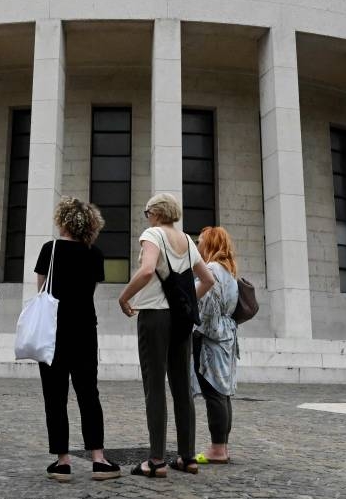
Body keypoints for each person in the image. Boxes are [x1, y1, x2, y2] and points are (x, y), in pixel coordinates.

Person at [117, 193, 215, 478]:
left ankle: (156, 460)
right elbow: (207, 279)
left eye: (147, 211)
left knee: (155, 384)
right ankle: (187, 457)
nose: (146, 216)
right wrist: (186, 303)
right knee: (182, 386)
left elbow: (147, 270)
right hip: (182, 319)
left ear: (156, 213)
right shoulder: (186, 239)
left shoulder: (152, 234)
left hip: (154, 316)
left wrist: (124, 297)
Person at [33, 197, 121, 482]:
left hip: (53, 330)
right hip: (84, 328)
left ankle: (62, 462)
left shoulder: (51, 249)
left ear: (63, 220)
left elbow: (42, 289)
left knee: (55, 396)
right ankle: (98, 459)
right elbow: (89, 290)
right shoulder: (94, 254)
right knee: (88, 393)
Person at [191, 226, 240, 465]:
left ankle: (217, 449)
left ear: (210, 244)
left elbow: (206, 311)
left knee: (214, 394)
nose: (197, 244)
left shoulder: (211, 269)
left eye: (200, 241)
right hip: (227, 337)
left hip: (211, 340)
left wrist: (194, 330)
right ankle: (222, 446)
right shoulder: (228, 271)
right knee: (223, 393)